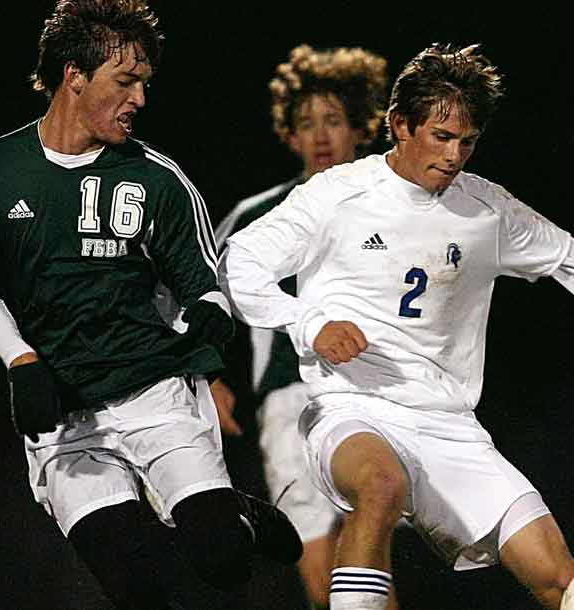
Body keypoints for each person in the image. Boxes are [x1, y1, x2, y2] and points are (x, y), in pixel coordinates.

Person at [219, 43, 574, 610]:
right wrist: (307, 321)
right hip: (351, 408)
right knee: (380, 486)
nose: (453, 156)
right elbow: (236, 263)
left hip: (451, 428)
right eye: (442, 137)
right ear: (400, 124)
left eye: (467, 142)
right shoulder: (336, 196)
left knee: (564, 583)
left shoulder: (487, 211)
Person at [0, 1, 301, 608]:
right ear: (74, 75)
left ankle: (236, 514)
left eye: (145, 84)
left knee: (223, 560)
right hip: (66, 415)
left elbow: (202, 281)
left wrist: (209, 313)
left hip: (156, 393)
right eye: (126, 81)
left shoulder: (157, 177)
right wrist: (20, 360)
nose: (140, 99)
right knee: (133, 588)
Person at [212, 44, 394, 610]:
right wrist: (207, 375)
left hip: (373, 396)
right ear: (289, 136)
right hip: (289, 400)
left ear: (362, 128)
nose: (320, 136)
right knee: (322, 572)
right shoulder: (256, 217)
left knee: (366, 563)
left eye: (333, 120)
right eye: (306, 123)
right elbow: (201, 295)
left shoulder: (395, 210)